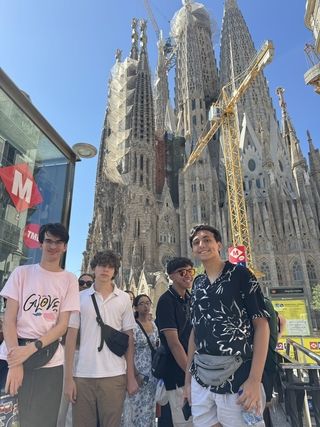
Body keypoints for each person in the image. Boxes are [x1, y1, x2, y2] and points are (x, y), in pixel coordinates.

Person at [184, 224, 270, 427]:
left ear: (219, 245)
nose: (201, 245)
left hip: (238, 377)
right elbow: (195, 333)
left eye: (207, 240)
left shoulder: (241, 275)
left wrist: (255, 380)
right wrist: (188, 382)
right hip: (202, 380)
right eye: (196, 242)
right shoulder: (197, 284)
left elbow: (262, 325)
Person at [0, 223, 80, 427]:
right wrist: (15, 362)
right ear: (41, 243)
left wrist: (32, 348)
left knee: (41, 421)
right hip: (11, 354)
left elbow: (62, 326)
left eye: (58, 242)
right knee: (6, 419)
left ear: (65, 247)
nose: (53, 246)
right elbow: (9, 319)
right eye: (49, 241)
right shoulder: (21, 272)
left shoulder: (69, 280)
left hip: (49, 359)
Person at [64, 250, 138, 427]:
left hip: (115, 375)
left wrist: (130, 377)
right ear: (94, 268)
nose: (105, 270)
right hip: (83, 375)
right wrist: (68, 379)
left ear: (115, 271)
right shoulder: (79, 297)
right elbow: (71, 338)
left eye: (110, 267)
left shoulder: (124, 299)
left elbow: (129, 338)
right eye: (101, 265)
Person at [156, 257, 194, 426]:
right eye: (182, 272)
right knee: (183, 421)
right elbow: (174, 344)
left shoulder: (190, 298)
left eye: (190, 271)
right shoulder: (166, 301)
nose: (187, 275)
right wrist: (190, 375)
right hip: (179, 375)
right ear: (171, 276)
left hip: (193, 373)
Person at [57, 272, 94, 427]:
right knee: (61, 401)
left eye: (89, 284)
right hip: (64, 355)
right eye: (81, 282)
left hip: (85, 358)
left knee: (77, 402)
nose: (84, 286)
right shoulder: (65, 303)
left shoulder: (93, 307)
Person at [122, 294, 159, 426]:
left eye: (148, 303)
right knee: (135, 407)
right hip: (137, 371)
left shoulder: (154, 325)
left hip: (152, 373)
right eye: (142, 303)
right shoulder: (132, 327)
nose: (145, 306)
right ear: (136, 308)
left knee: (149, 408)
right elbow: (128, 351)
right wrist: (134, 374)